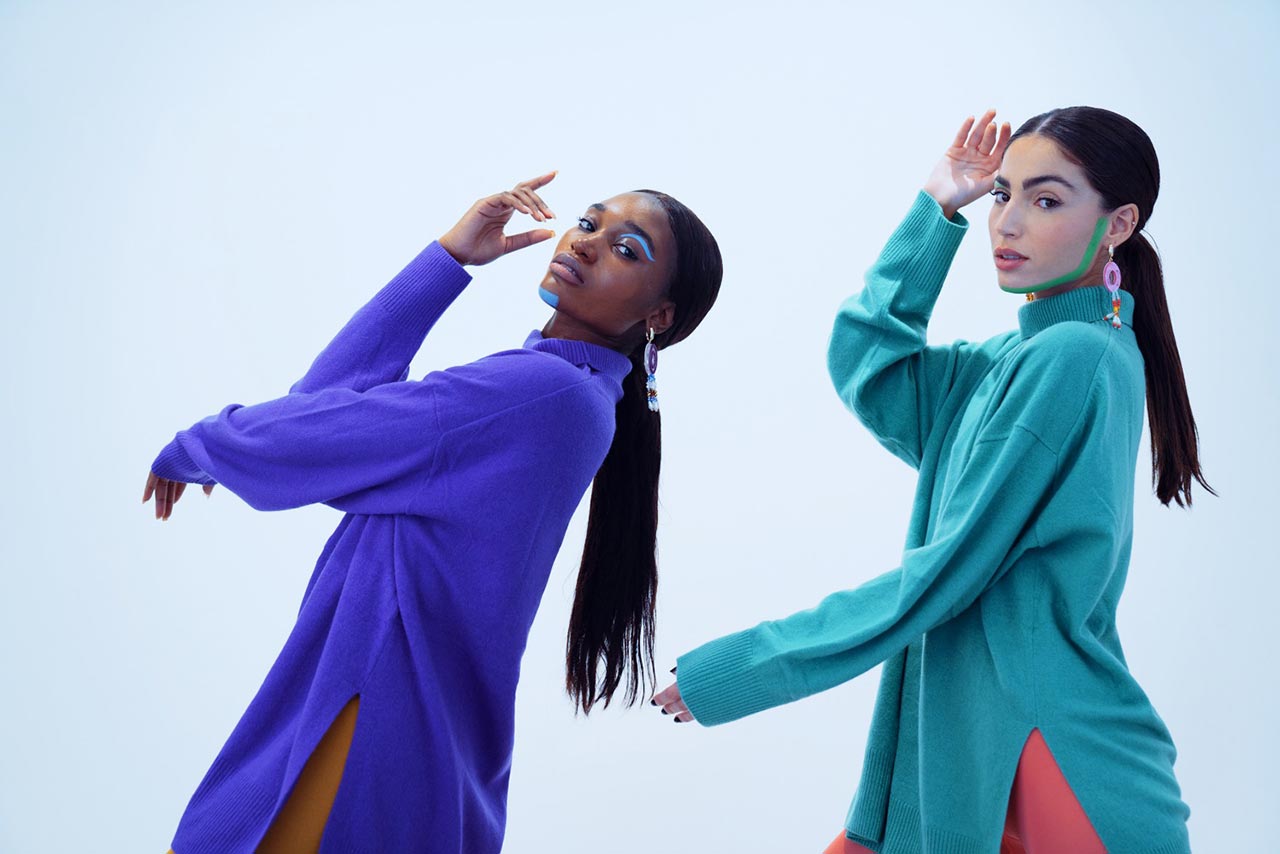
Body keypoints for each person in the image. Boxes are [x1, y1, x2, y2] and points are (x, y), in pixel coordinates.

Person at [652, 108, 1209, 854]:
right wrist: (937, 208)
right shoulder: (1003, 364)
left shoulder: (1074, 359)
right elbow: (870, 363)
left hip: (1044, 757)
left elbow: (944, 574)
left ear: (1119, 225)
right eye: (1002, 195)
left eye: (1046, 200)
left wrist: (747, 667)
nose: (1008, 222)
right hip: (963, 756)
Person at [144, 172, 722, 853]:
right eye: (589, 223)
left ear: (659, 316)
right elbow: (319, 410)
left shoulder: (543, 391)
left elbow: (310, 436)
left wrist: (195, 448)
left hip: (367, 720)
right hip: (387, 723)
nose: (586, 243)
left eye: (627, 249)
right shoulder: (572, 395)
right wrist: (449, 259)